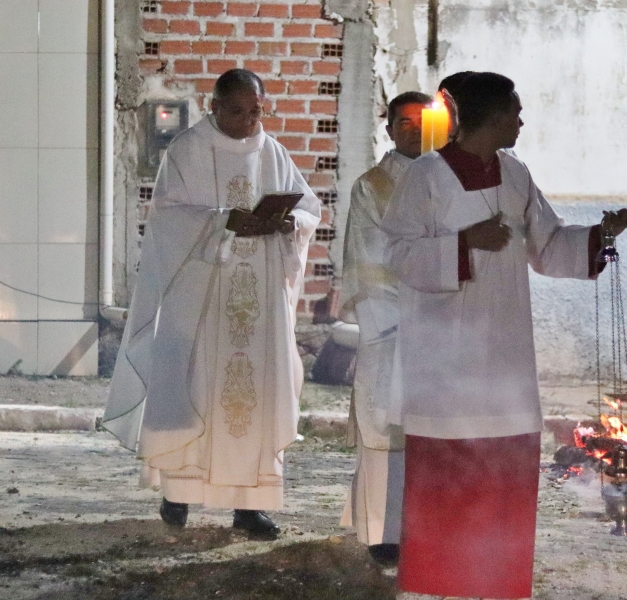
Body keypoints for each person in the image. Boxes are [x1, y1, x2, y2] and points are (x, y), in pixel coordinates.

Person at [381, 71, 627, 599]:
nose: (521, 121)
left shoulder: (515, 173)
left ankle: (496, 579)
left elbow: (548, 243)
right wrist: (464, 242)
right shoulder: (426, 176)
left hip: (505, 347)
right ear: (493, 117)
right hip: (445, 353)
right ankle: (438, 583)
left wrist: (601, 235)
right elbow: (398, 254)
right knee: (448, 472)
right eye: (515, 112)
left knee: (504, 467)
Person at [102, 69, 321, 538]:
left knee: (253, 397)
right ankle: (179, 490)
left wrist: (290, 224)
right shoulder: (187, 150)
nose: (248, 121)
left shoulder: (274, 152)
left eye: (255, 111)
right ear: (214, 107)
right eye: (237, 111)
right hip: (200, 297)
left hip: (258, 303)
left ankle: (249, 505)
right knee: (194, 390)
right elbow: (168, 218)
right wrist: (224, 221)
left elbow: (308, 208)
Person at [338, 91, 433, 564]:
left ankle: (432, 527)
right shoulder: (371, 187)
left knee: (433, 428)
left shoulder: (452, 180)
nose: (414, 130)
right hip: (392, 326)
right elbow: (367, 259)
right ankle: (385, 532)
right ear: (389, 129)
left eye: (423, 121)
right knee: (386, 425)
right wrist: (405, 312)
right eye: (404, 122)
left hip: (440, 327)